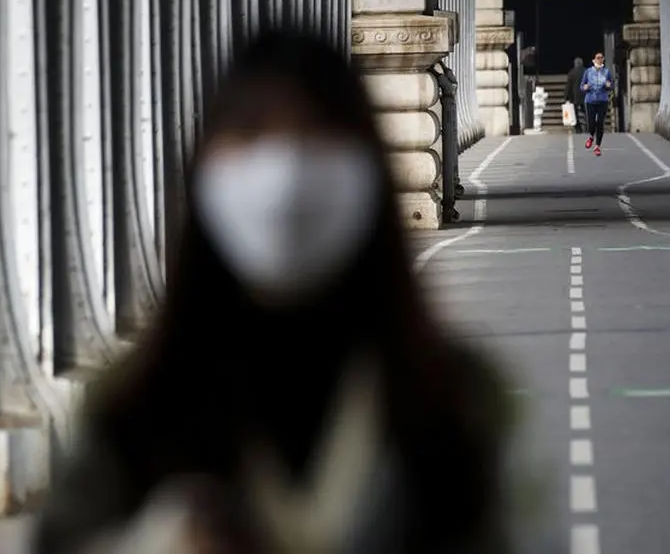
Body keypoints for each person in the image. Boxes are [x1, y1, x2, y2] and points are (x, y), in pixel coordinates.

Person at [31, 31, 522, 554]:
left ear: (370, 170)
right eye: (251, 132)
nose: (286, 170)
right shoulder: (133, 407)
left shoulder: (455, 402)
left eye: (318, 132)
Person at [580, 52, 614, 156]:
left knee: (600, 123)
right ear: (594, 60)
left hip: (603, 100)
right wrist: (585, 87)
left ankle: (597, 146)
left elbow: (611, 85)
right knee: (591, 122)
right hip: (590, 100)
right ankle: (591, 136)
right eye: (598, 58)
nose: (599, 59)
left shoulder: (606, 72)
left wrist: (609, 85)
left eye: (601, 58)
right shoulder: (588, 72)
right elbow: (582, 86)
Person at [565, 57, 586, 132]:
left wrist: (566, 97)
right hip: (586, 96)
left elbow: (569, 86)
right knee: (587, 112)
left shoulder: (572, 72)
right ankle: (588, 127)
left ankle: (578, 128)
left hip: (575, 97)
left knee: (575, 113)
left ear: (575, 64)